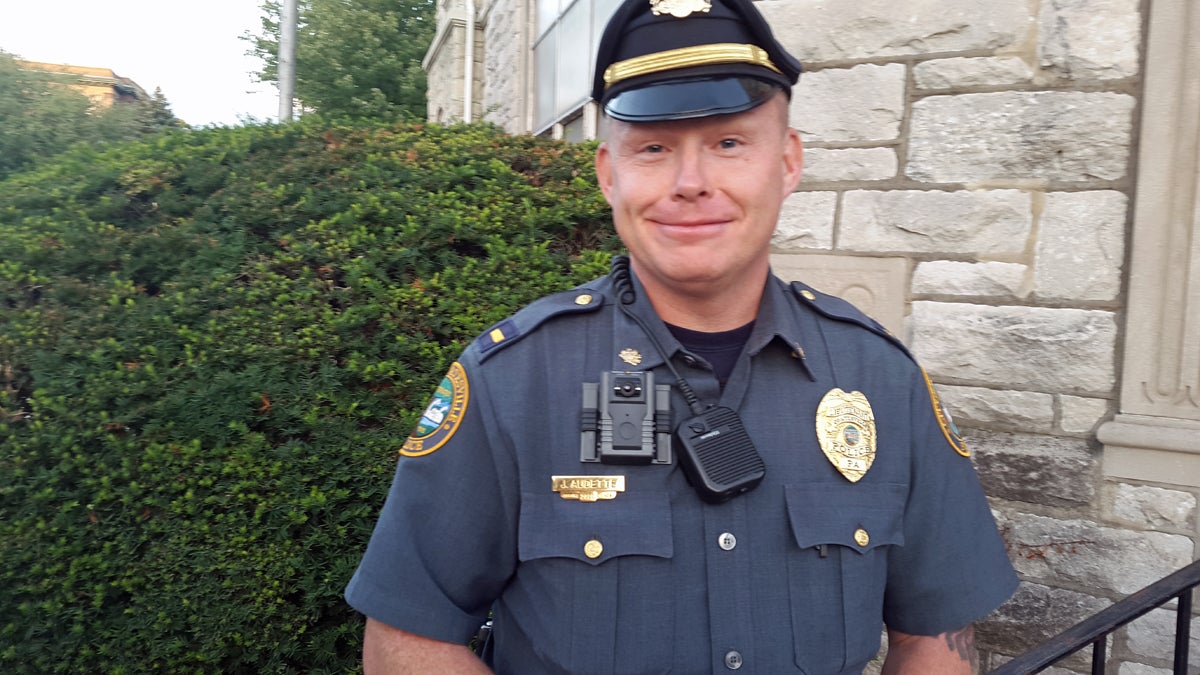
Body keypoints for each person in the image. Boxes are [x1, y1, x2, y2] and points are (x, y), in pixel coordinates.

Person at [344, 0, 1018, 671]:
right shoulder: (512, 382)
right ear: (610, 174)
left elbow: (935, 638)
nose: (691, 183)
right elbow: (409, 637)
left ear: (786, 162)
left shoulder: (881, 379)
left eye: (728, 142)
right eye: (654, 148)